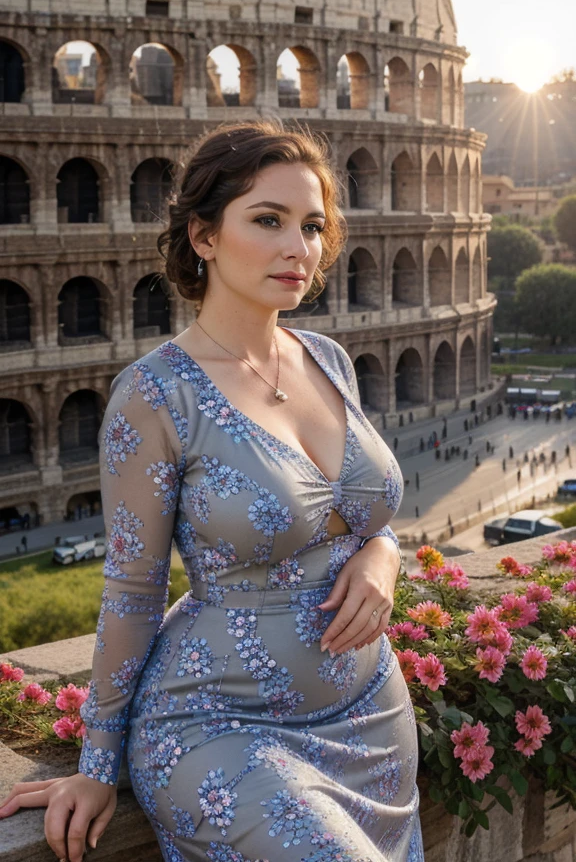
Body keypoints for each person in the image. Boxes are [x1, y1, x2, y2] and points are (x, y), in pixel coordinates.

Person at [0, 121, 422, 862]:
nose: (301, 248)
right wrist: (98, 768)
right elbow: (132, 592)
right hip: (221, 730)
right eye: (268, 220)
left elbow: (362, 519)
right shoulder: (154, 396)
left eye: (313, 226)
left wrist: (384, 554)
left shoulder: (327, 358)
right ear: (203, 236)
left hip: (372, 725)